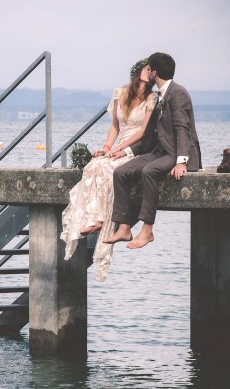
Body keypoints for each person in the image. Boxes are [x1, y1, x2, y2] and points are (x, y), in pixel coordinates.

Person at [60, 58, 157, 281]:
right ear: (137, 71)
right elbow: (115, 126)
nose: (149, 72)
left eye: (152, 70)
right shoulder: (119, 93)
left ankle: (103, 219)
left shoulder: (152, 98)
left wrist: (122, 149)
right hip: (119, 144)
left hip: (135, 150)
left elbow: (142, 132)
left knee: (107, 171)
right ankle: (94, 218)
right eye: (146, 68)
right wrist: (106, 148)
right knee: (93, 166)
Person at [104, 52, 202, 249]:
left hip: (176, 153)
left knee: (149, 172)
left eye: (149, 68)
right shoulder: (159, 96)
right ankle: (124, 228)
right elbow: (148, 135)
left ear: (155, 72)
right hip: (160, 151)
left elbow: (183, 128)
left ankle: (147, 230)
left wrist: (181, 161)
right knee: (121, 172)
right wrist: (125, 152)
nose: (146, 71)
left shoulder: (178, 92)